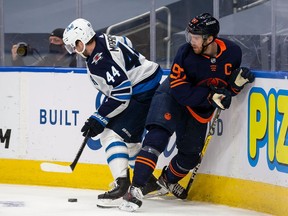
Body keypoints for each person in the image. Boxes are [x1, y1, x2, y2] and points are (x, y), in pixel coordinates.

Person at [119, 13, 255, 212]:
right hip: (172, 97)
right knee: (156, 139)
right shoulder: (185, 53)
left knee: (190, 157)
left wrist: (235, 87)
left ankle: (165, 181)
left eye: (196, 37)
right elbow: (181, 91)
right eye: (190, 35)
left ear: (210, 39)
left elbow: (225, 90)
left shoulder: (233, 52)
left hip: (199, 107)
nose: (191, 40)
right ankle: (135, 189)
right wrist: (210, 97)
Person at [62, 18, 164, 208]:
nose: (74, 50)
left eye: (74, 45)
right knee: (130, 140)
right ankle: (148, 181)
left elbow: (123, 92)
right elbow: (126, 42)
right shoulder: (104, 38)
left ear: (81, 39)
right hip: (146, 85)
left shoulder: (99, 61)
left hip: (141, 92)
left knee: (110, 135)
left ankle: (122, 184)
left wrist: (99, 117)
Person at [11, 28, 76, 67]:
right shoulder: (45, 59)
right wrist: (16, 59)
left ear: (66, 43)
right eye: (50, 40)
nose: (52, 43)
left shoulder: (75, 59)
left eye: (56, 40)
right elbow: (28, 72)